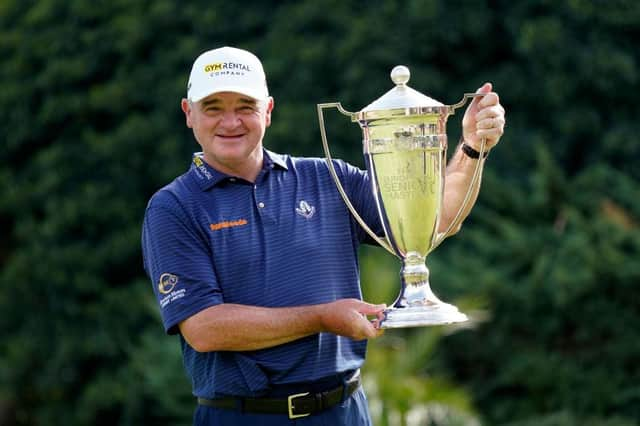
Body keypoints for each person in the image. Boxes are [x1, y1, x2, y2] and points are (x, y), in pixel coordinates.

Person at [142, 46, 505, 425]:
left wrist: (472, 148)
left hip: (344, 410)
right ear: (189, 113)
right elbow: (204, 328)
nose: (230, 121)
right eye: (214, 107)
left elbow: (435, 222)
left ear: (267, 109)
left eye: (245, 106)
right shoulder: (174, 207)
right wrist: (322, 317)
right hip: (244, 416)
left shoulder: (327, 178)